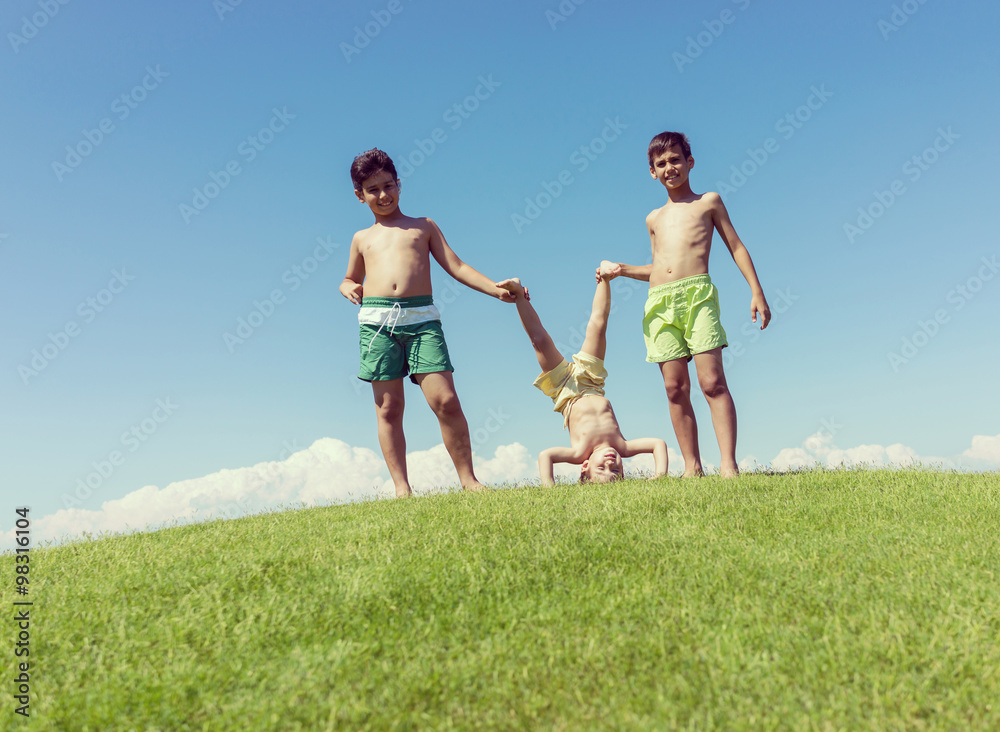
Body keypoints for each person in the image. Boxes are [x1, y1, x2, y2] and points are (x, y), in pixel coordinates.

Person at [340, 148, 515, 497]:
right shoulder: (361, 239)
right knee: (389, 408)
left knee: (446, 400)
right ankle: (402, 488)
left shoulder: (424, 227)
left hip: (422, 322)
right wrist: (347, 286)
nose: (383, 195)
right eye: (373, 189)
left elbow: (458, 266)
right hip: (377, 325)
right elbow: (348, 277)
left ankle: (469, 480)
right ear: (360, 195)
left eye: (388, 185)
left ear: (399, 185)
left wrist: (496, 290)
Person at [603, 131, 771, 478]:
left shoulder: (708, 202)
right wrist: (621, 270)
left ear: (690, 162)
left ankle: (728, 465)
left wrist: (756, 290)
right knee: (674, 388)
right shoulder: (653, 218)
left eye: (676, 160)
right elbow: (658, 267)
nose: (670, 168)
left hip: (697, 296)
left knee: (712, 382)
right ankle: (691, 467)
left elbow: (736, 246)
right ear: (652, 172)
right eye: (661, 164)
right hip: (660, 303)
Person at [495, 270, 668, 485]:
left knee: (539, 340)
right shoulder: (623, 446)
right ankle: (605, 278)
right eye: (616, 469)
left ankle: (519, 294)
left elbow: (545, 456)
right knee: (598, 326)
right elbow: (658, 444)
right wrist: (660, 475)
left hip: (564, 390)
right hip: (591, 381)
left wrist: (549, 488)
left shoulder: (578, 453)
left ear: (585, 467)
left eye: (601, 467)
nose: (610, 461)